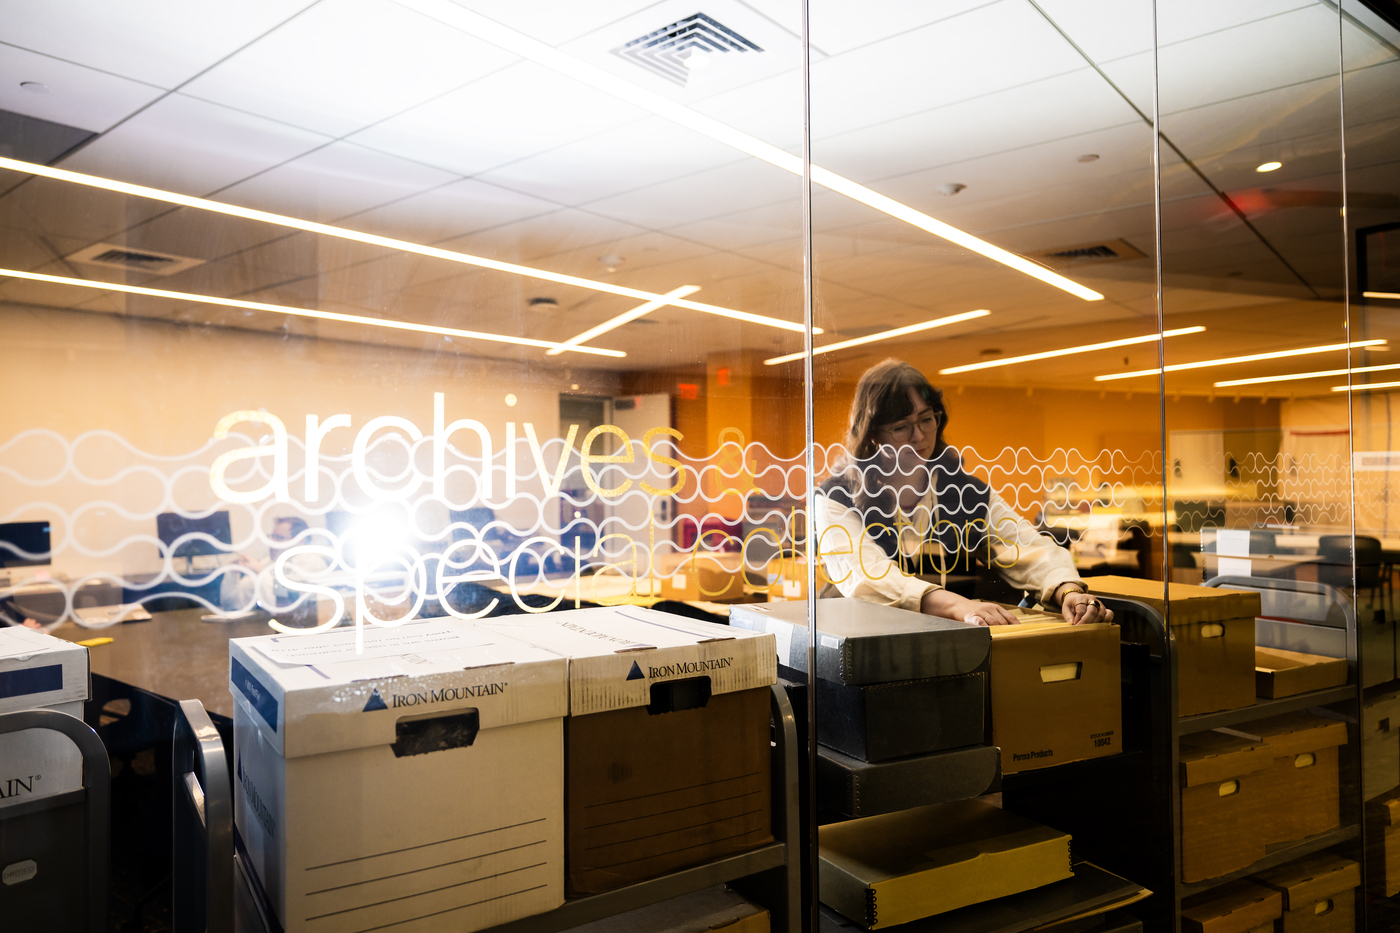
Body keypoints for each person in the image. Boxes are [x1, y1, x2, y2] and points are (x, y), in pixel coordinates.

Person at [814, 359, 1113, 626]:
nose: (919, 436)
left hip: (950, 651)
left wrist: (1067, 589)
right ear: (874, 434)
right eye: (902, 427)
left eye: (926, 419)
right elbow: (867, 577)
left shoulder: (966, 493)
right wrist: (957, 605)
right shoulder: (836, 497)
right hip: (860, 650)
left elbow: (1026, 547)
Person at [219, 516, 324, 623]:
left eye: (279, 538)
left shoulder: (312, 564)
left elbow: (280, 609)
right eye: (272, 536)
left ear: (300, 541)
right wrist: (232, 572)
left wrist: (261, 571)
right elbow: (233, 605)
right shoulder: (269, 562)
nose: (271, 542)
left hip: (301, 629)